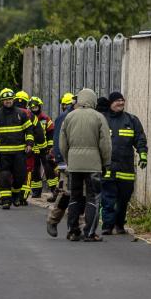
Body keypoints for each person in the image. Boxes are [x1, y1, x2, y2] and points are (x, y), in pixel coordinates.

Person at [58, 88, 111, 242]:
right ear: (93, 100)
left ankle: (73, 231)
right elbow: (105, 144)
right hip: (93, 165)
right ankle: (89, 232)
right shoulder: (99, 117)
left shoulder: (69, 117)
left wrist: (69, 160)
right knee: (93, 198)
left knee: (74, 196)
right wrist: (106, 163)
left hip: (74, 165)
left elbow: (62, 143)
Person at [99, 91, 147, 235]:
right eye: (117, 101)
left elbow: (140, 138)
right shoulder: (103, 120)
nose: (120, 103)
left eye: (122, 100)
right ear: (111, 103)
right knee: (108, 198)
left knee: (124, 198)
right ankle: (107, 225)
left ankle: (119, 225)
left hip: (126, 168)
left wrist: (143, 154)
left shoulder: (131, 120)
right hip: (108, 167)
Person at [0, 88, 34, 209]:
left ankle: (15, 195)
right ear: (2, 101)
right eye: (5, 100)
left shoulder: (21, 114)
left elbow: (29, 130)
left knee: (20, 176)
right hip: (3, 153)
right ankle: (5, 200)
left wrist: (29, 143)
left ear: (13, 99)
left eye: (10, 99)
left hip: (19, 153)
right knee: (4, 176)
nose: (8, 101)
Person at [46, 93, 76, 236]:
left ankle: (77, 228)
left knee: (80, 196)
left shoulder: (87, 116)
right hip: (67, 163)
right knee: (66, 195)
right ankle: (53, 220)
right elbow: (58, 140)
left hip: (82, 163)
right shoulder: (63, 118)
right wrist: (60, 161)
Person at [28, 96, 55, 199]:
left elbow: (51, 132)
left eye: (36, 108)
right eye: (32, 108)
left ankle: (53, 189)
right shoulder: (29, 118)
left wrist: (49, 146)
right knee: (35, 170)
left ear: (39, 107)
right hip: (33, 148)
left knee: (48, 168)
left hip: (44, 148)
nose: (34, 110)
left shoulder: (45, 118)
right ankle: (36, 191)